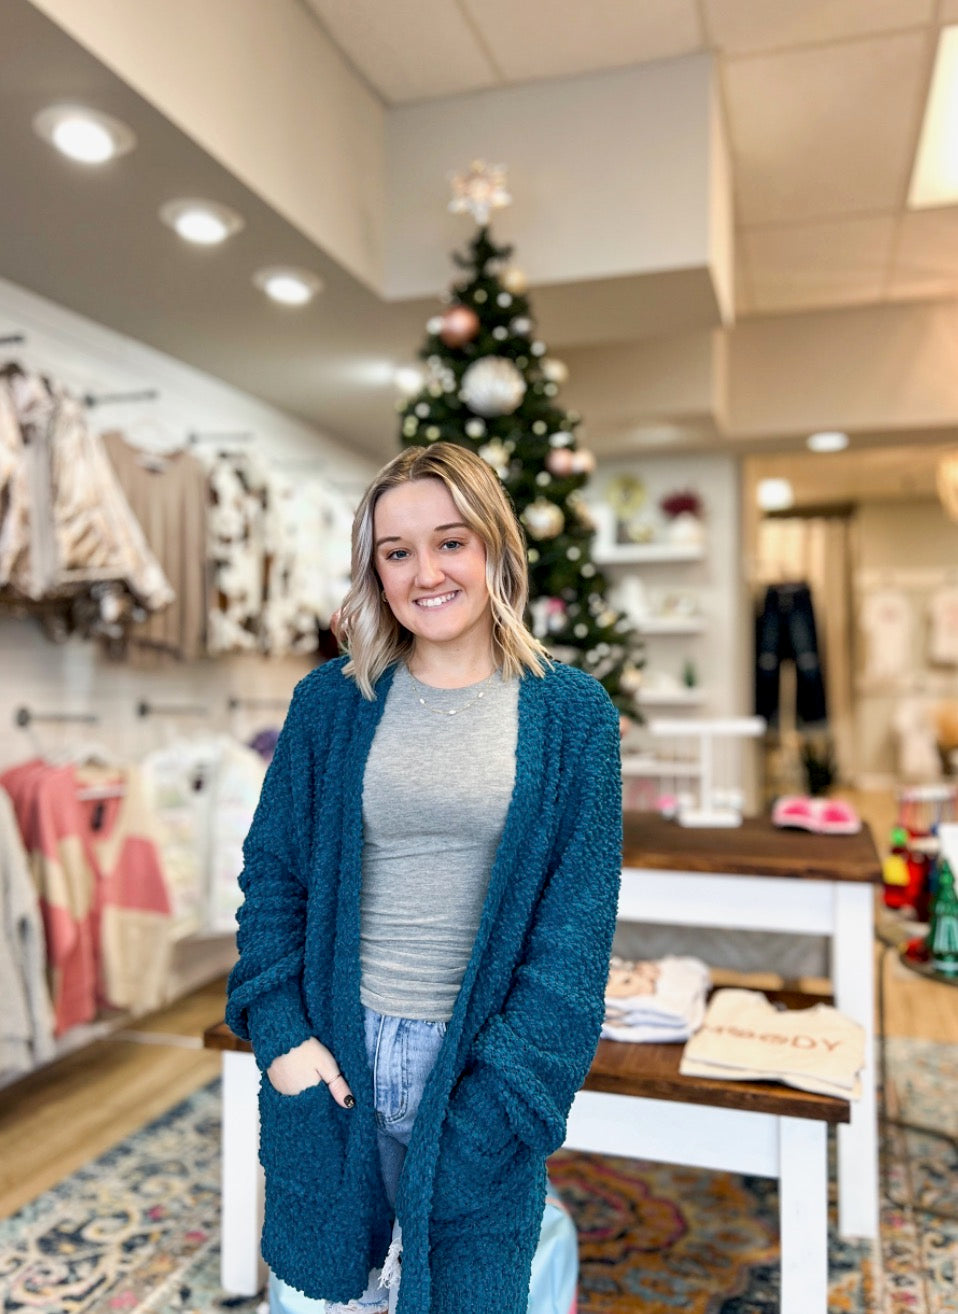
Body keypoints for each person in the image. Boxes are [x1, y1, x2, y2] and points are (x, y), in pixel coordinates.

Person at [225, 442, 623, 1314]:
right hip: (338, 1052)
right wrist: (283, 1038)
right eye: (397, 551)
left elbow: (576, 931)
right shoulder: (330, 702)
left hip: (480, 1066)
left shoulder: (572, 715)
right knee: (329, 1297)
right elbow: (274, 877)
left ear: (494, 548)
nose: (426, 572)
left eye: (451, 541)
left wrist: (500, 1099)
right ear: (374, 570)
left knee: (469, 1293)